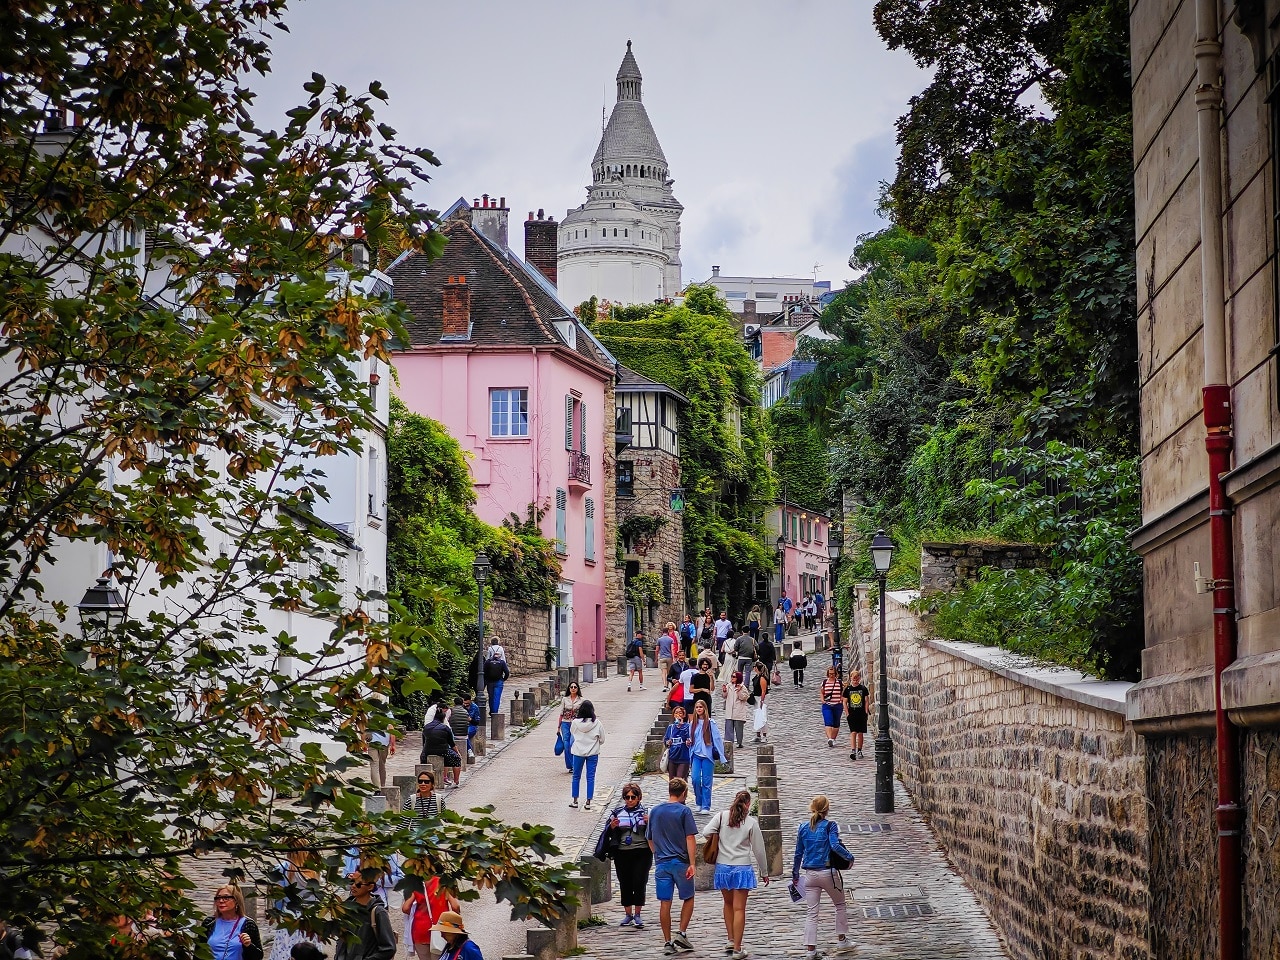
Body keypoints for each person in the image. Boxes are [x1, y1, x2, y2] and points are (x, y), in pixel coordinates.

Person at [700, 789, 769, 959]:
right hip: (741, 868)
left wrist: (718, 835)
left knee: (728, 904)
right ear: (748, 804)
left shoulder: (722, 817)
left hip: (723, 867)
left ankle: (731, 939)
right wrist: (764, 871)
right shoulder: (751, 823)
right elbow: (759, 850)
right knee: (740, 909)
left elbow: (705, 832)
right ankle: (738, 948)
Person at [791, 796, 854, 960]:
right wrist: (849, 857)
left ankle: (810, 951)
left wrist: (795, 874)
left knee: (812, 913)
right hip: (828, 873)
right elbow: (834, 845)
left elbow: (798, 854)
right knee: (839, 904)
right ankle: (842, 940)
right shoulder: (830, 826)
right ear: (827, 809)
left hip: (810, 875)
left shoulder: (803, 827)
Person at [647, 778, 698, 955]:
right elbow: (690, 838)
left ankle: (667, 941)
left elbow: (650, 838)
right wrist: (692, 863)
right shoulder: (684, 811)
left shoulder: (655, 811)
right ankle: (682, 932)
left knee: (665, 902)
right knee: (688, 897)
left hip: (662, 863)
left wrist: (657, 854)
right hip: (681, 862)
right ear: (684, 793)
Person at [605, 782, 653, 929]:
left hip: (642, 851)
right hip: (622, 852)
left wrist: (649, 823)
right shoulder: (617, 812)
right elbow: (607, 833)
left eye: (633, 797)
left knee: (639, 881)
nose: (630, 800)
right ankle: (628, 914)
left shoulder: (647, 812)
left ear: (639, 797)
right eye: (627, 797)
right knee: (624, 882)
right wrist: (612, 827)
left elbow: (656, 831)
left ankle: (638, 914)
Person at [268, 843, 323, 960]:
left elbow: (278, 897)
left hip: (290, 917)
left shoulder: (282, 868)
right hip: (310, 919)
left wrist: (276, 914)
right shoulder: (315, 870)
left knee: (285, 952)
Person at [335, 872, 397, 960]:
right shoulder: (346, 909)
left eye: (359, 884)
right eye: (352, 882)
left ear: (370, 887)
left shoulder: (378, 912)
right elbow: (341, 940)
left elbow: (389, 948)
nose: (353, 886)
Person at [402, 877, 460, 960]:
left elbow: (405, 908)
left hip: (420, 930)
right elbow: (455, 906)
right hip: (441, 928)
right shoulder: (444, 882)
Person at [203, 886, 264, 960]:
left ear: (236, 901)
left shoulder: (249, 924)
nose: (221, 901)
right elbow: (198, 952)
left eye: (226, 898)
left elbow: (258, 956)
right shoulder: (209, 923)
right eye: (218, 898)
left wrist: (248, 945)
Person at [688, 699, 725, 814]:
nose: (699, 709)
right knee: (695, 779)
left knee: (706, 782)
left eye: (701, 707)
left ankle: (706, 806)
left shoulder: (710, 723)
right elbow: (690, 738)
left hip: (707, 756)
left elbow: (717, 739)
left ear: (705, 709)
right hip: (696, 755)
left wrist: (722, 755)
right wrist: (688, 742)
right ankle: (698, 801)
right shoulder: (692, 723)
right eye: (697, 707)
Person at [569, 699, 606, 810]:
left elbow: (572, 734)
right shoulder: (597, 723)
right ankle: (588, 801)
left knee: (576, 776)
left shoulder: (575, 723)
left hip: (578, 752)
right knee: (590, 777)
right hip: (593, 753)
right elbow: (602, 739)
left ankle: (575, 801)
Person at [419, 710, 459, 787]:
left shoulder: (426, 727)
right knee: (456, 759)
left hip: (427, 751)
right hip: (443, 751)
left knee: (423, 758)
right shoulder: (445, 728)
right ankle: (456, 781)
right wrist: (458, 753)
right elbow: (452, 743)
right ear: (443, 719)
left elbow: (424, 743)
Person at [366, 700, 396, 790]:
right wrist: (393, 744)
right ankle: (382, 786)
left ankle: (376, 788)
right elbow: (391, 728)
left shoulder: (368, 711)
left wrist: (362, 741)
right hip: (384, 741)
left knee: (374, 765)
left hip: (372, 742)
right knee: (382, 764)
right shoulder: (387, 711)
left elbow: (364, 727)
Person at [843, 670, 871, 760]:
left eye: (857, 678)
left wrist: (866, 711)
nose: (855, 680)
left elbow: (866, 700)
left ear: (859, 678)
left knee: (860, 733)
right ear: (851, 678)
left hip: (861, 713)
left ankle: (859, 750)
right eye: (853, 678)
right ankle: (853, 750)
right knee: (853, 732)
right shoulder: (848, 689)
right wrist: (847, 713)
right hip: (852, 713)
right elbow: (845, 702)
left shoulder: (863, 689)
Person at [720, 670, 750, 749]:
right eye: (732, 676)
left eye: (734, 677)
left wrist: (739, 691)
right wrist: (724, 691)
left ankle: (739, 742)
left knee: (738, 727)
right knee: (729, 727)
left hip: (738, 710)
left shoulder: (743, 687)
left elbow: (744, 697)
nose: (732, 678)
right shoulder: (728, 686)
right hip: (729, 709)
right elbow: (724, 696)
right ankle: (729, 742)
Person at [663, 704, 692, 783]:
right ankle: (673, 795)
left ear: (683, 715)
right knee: (672, 781)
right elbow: (665, 739)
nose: (678, 715)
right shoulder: (671, 727)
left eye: (680, 713)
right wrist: (667, 742)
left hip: (683, 757)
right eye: (676, 713)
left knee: (680, 780)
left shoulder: (687, 726)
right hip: (673, 757)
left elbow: (687, 737)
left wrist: (681, 726)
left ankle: (683, 794)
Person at [558, 681, 583, 771]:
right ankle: (571, 765)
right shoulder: (565, 699)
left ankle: (575, 763)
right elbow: (561, 713)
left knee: (573, 743)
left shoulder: (581, 700)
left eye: (575, 687)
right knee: (566, 744)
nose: (573, 688)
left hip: (576, 724)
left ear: (577, 689)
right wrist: (558, 727)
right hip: (565, 723)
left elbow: (584, 713)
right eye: (571, 687)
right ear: (569, 689)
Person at [820, 666, 844, 748]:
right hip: (827, 705)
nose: (831, 675)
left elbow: (843, 693)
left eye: (833, 674)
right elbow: (822, 692)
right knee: (828, 721)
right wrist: (822, 700)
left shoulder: (839, 683)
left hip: (838, 705)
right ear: (827, 674)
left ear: (836, 674)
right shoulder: (824, 682)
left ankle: (833, 739)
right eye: (830, 674)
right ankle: (830, 739)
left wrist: (841, 699)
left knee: (836, 723)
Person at [483, 644, 510, 716]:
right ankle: (495, 713)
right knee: (497, 698)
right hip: (499, 681)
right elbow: (507, 672)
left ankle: (491, 711)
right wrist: (503, 679)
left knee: (491, 697)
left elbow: (483, 671)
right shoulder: (501, 662)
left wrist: (486, 679)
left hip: (490, 682)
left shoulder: (488, 661)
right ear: (500, 655)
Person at [749, 661, 770, 743]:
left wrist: (762, 700)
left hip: (761, 698)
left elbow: (763, 690)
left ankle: (764, 735)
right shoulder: (756, 676)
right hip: (756, 698)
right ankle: (757, 735)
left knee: (762, 716)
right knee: (756, 716)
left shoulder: (762, 678)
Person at [459, 694, 481, 762]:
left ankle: (469, 750)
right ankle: (468, 750)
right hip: (462, 725)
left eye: (467, 703)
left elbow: (477, 722)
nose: (465, 705)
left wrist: (470, 720)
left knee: (466, 734)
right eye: (464, 703)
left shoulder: (475, 707)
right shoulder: (460, 707)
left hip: (472, 725)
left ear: (470, 701)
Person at [656, 625, 677, 691]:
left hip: (662, 657)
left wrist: (656, 658)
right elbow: (672, 649)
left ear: (662, 632)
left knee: (663, 672)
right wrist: (673, 658)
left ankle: (664, 685)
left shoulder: (659, 640)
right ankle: (667, 686)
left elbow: (657, 650)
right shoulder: (671, 639)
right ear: (668, 631)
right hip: (669, 657)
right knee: (668, 673)